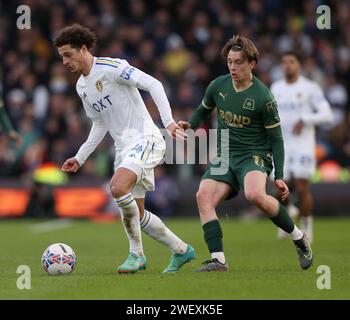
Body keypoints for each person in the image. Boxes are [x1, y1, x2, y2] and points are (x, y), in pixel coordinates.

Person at [54, 24, 195, 274]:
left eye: (68, 54)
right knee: (137, 215)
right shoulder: (81, 87)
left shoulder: (112, 67)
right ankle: (182, 250)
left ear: (83, 49)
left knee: (118, 187)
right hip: (124, 148)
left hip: (145, 138)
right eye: (61, 56)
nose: (64, 61)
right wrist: (80, 156)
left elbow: (154, 84)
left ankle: (136, 255)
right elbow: (99, 122)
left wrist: (169, 122)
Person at [178, 35, 313, 272]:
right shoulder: (217, 86)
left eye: (238, 62)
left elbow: (277, 139)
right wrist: (190, 124)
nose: (232, 67)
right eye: (230, 61)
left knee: (254, 195)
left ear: (251, 63)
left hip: (254, 154)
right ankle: (218, 260)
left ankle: (298, 237)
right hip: (225, 153)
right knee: (203, 196)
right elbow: (203, 109)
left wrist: (279, 175)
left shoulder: (264, 98)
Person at [271, 51, 333, 243]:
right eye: (284, 62)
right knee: (279, 187)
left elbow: (327, 115)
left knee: (302, 186)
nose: (287, 65)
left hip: (303, 145)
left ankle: (307, 226)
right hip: (282, 144)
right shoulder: (276, 87)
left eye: (291, 61)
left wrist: (305, 119)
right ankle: (290, 213)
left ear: (299, 65)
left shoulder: (310, 88)